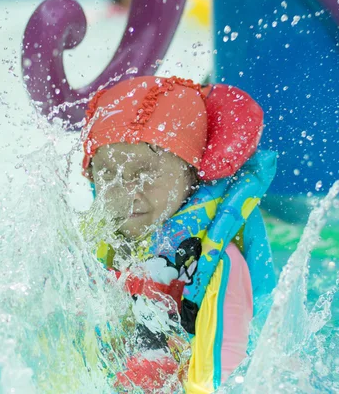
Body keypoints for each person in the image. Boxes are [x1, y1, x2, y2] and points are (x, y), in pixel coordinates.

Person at [82, 76, 277, 393]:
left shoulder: (220, 264)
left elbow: (227, 373)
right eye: (108, 172)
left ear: (190, 171)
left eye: (146, 173)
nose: (127, 190)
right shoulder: (104, 243)